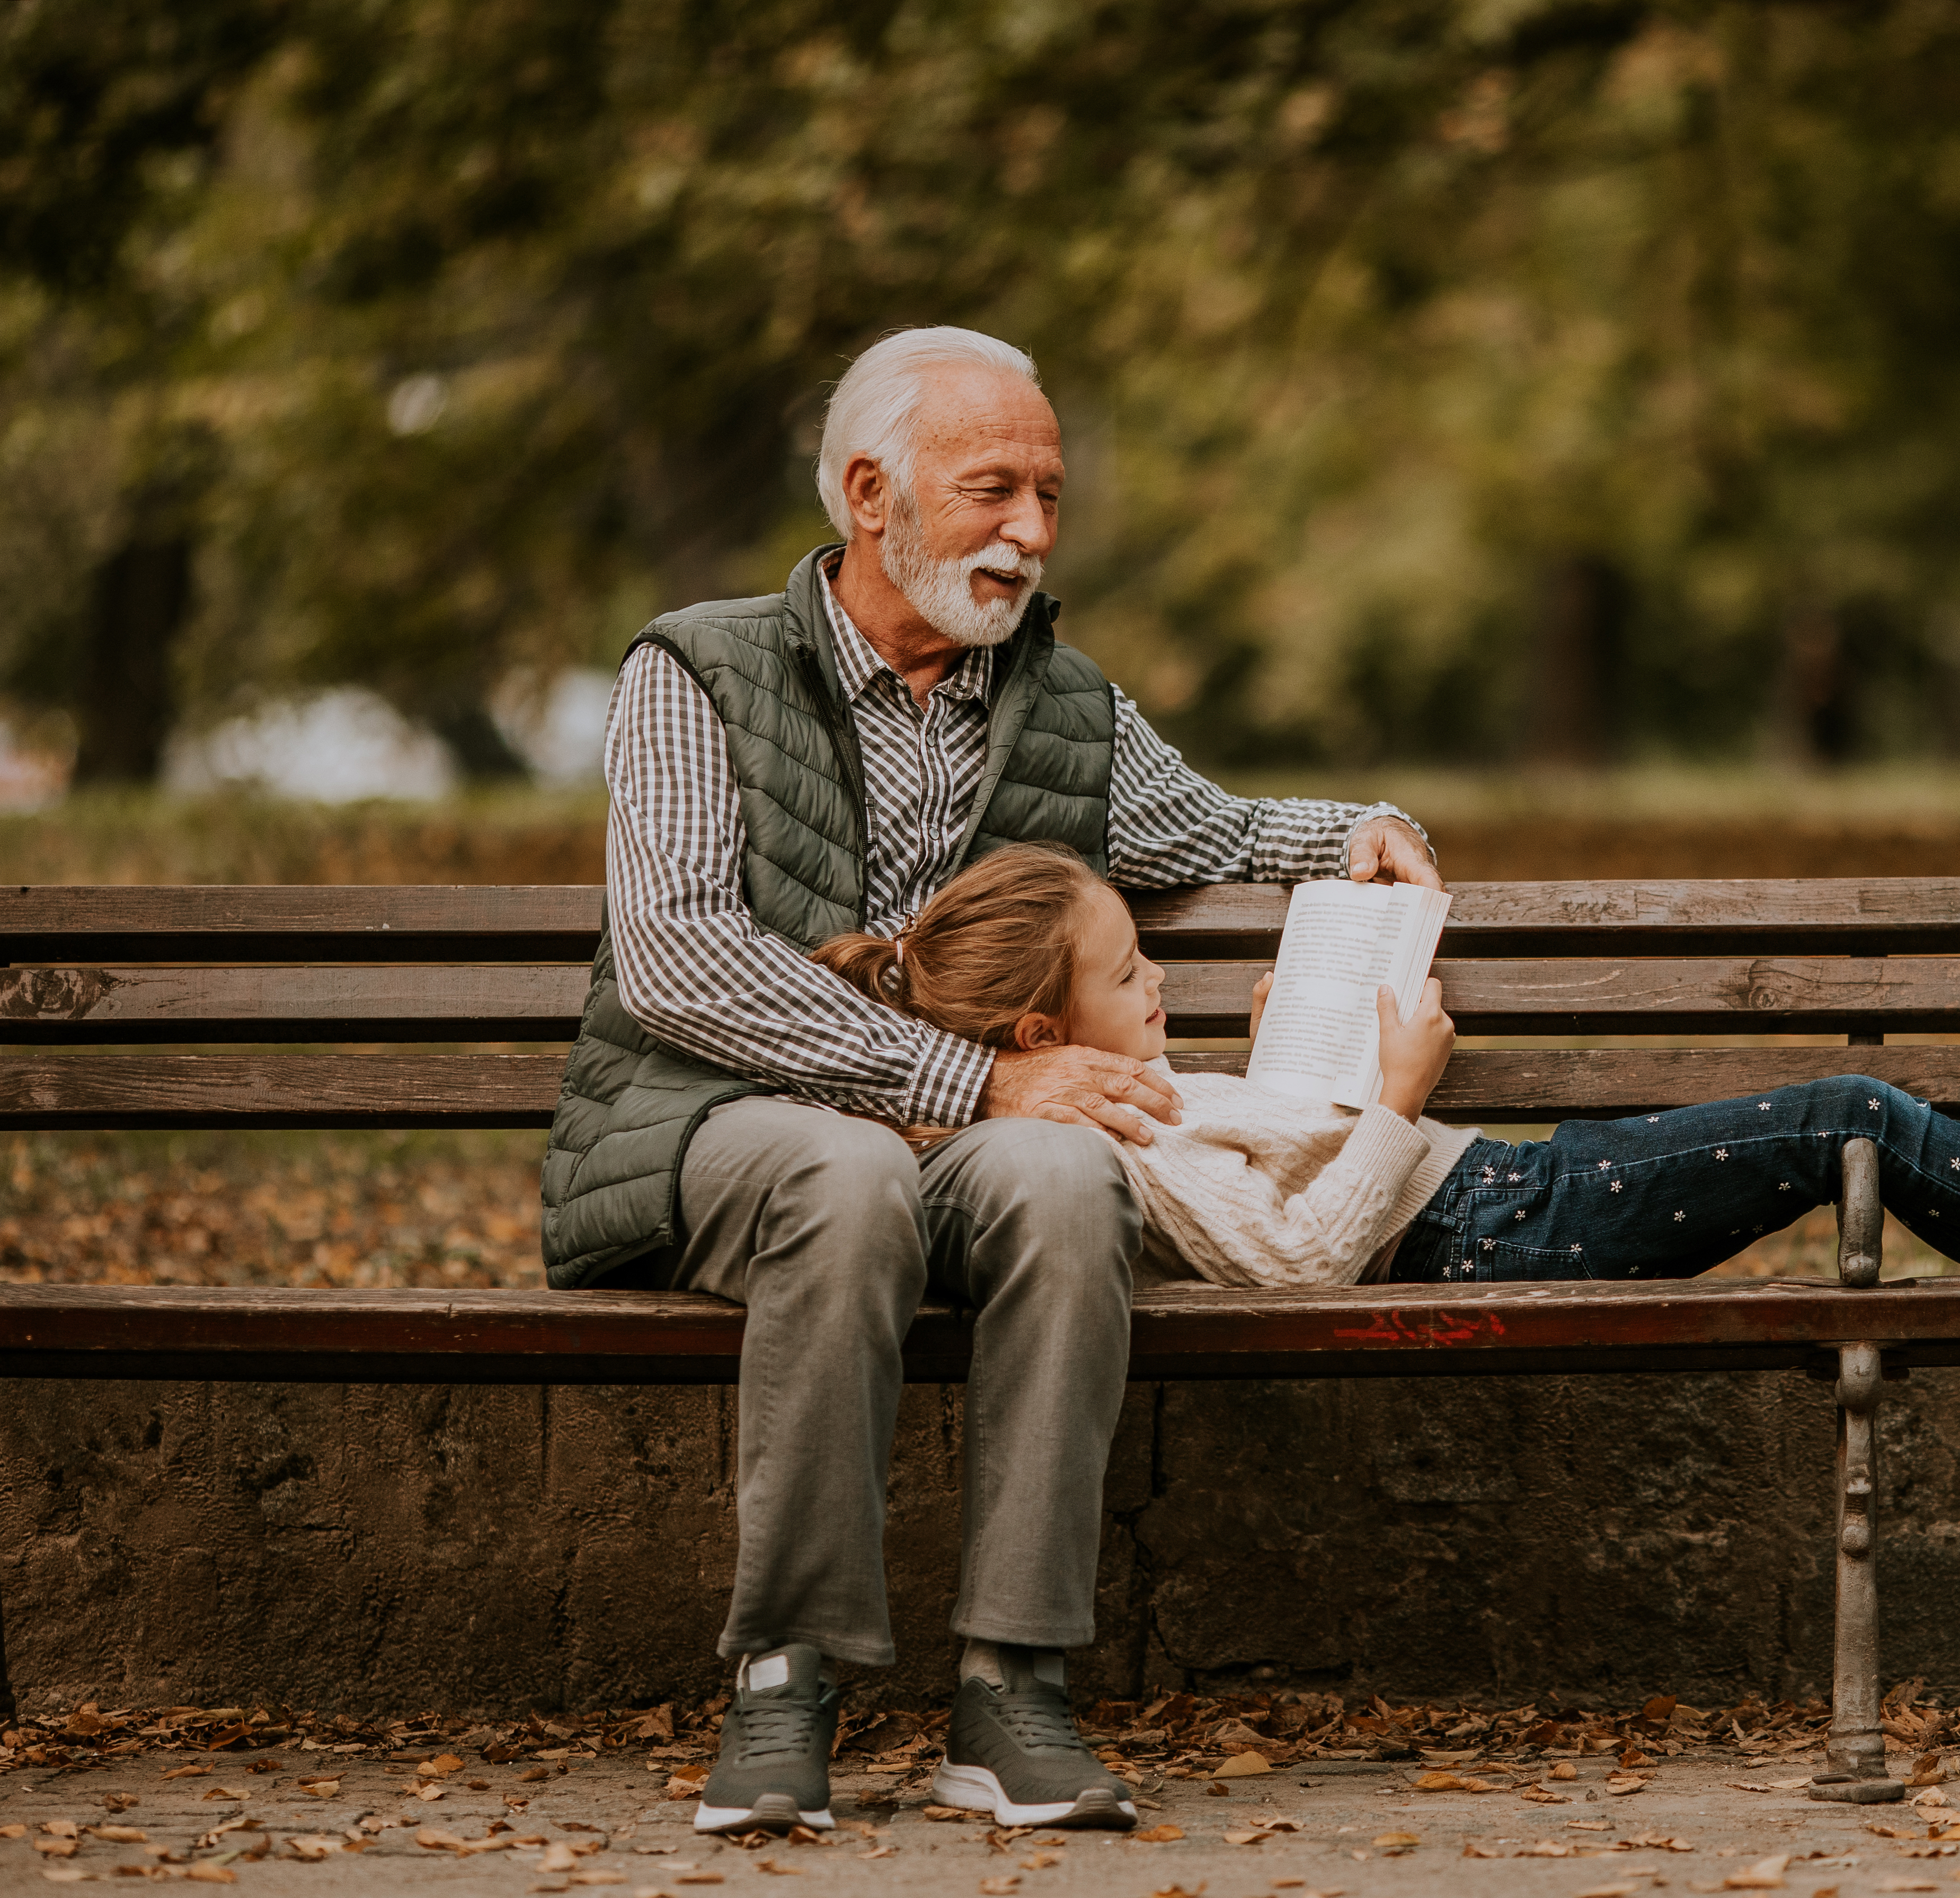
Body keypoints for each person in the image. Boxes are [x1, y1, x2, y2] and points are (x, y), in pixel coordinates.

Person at [538, 326, 1441, 1837]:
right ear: (869, 494)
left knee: (1067, 1171)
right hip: (710, 1128)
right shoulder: (694, 669)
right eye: (990, 491)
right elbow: (681, 960)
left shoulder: (1061, 701)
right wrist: (963, 1075)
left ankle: (1010, 1687)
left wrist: (1353, 826)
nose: (1028, 531)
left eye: (1047, 494)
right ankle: (785, 1677)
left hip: (955, 1144)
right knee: (850, 1170)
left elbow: (1206, 831)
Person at [814, 843, 1960, 1439]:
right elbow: (1295, 1258)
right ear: (1033, 1040)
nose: (1160, 985)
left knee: (1843, 1127)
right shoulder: (1092, 1153)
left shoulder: (1117, 1100)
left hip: (1497, 1194)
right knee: (1843, 1116)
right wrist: (1394, 1100)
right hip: (1480, 1224)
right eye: (1128, 977)